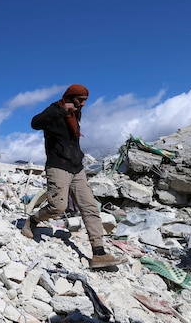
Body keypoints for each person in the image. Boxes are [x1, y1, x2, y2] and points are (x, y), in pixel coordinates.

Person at [25, 84, 126, 269]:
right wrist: (61, 111)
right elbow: (35, 123)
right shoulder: (55, 109)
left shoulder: (76, 113)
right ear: (71, 97)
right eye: (81, 100)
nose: (84, 104)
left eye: (86, 100)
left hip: (76, 168)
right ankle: (32, 220)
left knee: (90, 208)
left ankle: (99, 253)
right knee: (58, 206)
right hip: (58, 166)